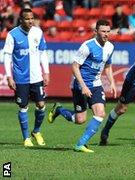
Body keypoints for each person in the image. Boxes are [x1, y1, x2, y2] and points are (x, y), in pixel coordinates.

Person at [47, 19, 116, 153]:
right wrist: (83, 86)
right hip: (80, 84)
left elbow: (107, 66)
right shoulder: (87, 46)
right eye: (103, 31)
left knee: (100, 113)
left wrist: (112, 82)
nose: (106, 34)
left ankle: (80, 144)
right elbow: (74, 66)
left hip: (95, 84)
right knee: (80, 120)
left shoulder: (110, 47)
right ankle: (59, 110)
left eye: (108, 31)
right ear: (96, 31)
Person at [3, 8, 49, 147]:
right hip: (21, 78)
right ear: (21, 20)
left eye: (32, 18)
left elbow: (43, 53)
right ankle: (26, 138)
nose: (30, 21)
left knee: (41, 105)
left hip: (37, 77)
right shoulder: (13, 35)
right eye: (27, 19)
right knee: (23, 106)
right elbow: (7, 56)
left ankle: (36, 131)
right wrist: (9, 76)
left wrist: (46, 72)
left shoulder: (38, 32)